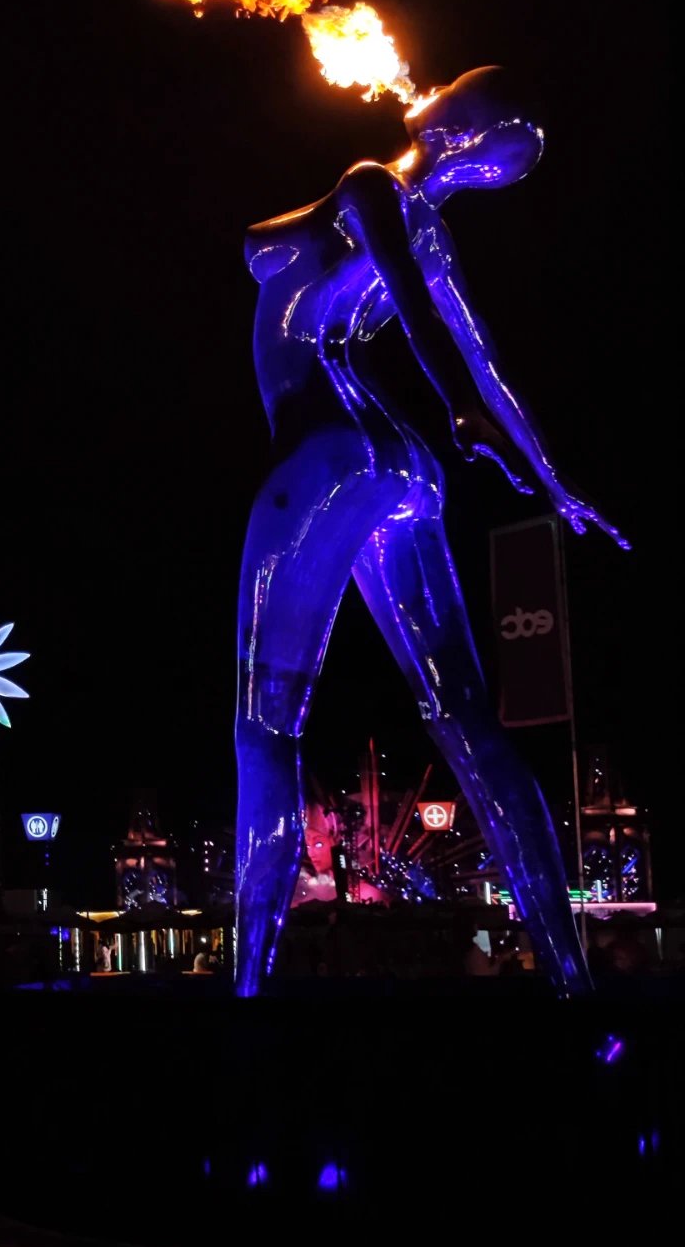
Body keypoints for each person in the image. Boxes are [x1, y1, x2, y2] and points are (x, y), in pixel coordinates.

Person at [235, 68, 626, 998]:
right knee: (467, 720)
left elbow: (420, 316)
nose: (434, 87)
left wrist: (460, 406)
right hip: (405, 467)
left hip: (328, 450)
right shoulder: (431, 231)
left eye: (454, 90)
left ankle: (246, 990)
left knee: (266, 728)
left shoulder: (371, 184)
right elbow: (490, 366)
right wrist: (551, 479)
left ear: (453, 132)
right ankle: (570, 980)